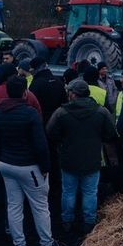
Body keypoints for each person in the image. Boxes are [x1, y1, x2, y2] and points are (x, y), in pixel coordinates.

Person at [0, 76, 63, 246]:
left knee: (14, 206)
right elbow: (40, 144)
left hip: (7, 165)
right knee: (40, 207)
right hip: (29, 166)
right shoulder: (30, 114)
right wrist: (46, 166)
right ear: (25, 92)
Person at [0, 64, 42, 238]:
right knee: (13, 194)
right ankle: (10, 228)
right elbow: (38, 122)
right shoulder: (29, 97)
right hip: (19, 154)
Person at [47, 80, 117, 236]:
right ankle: (89, 223)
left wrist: (61, 144)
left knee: (68, 192)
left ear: (73, 94)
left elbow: (50, 132)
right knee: (90, 192)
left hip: (68, 160)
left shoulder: (61, 112)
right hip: (92, 160)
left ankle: (67, 221)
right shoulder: (101, 112)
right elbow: (110, 134)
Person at [28, 57, 67, 125]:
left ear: (34, 69)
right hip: (58, 121)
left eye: (31, 68)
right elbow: (65, 101)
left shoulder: (36, 84)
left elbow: (31, 103)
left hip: (41, 121)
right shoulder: (58, 81)